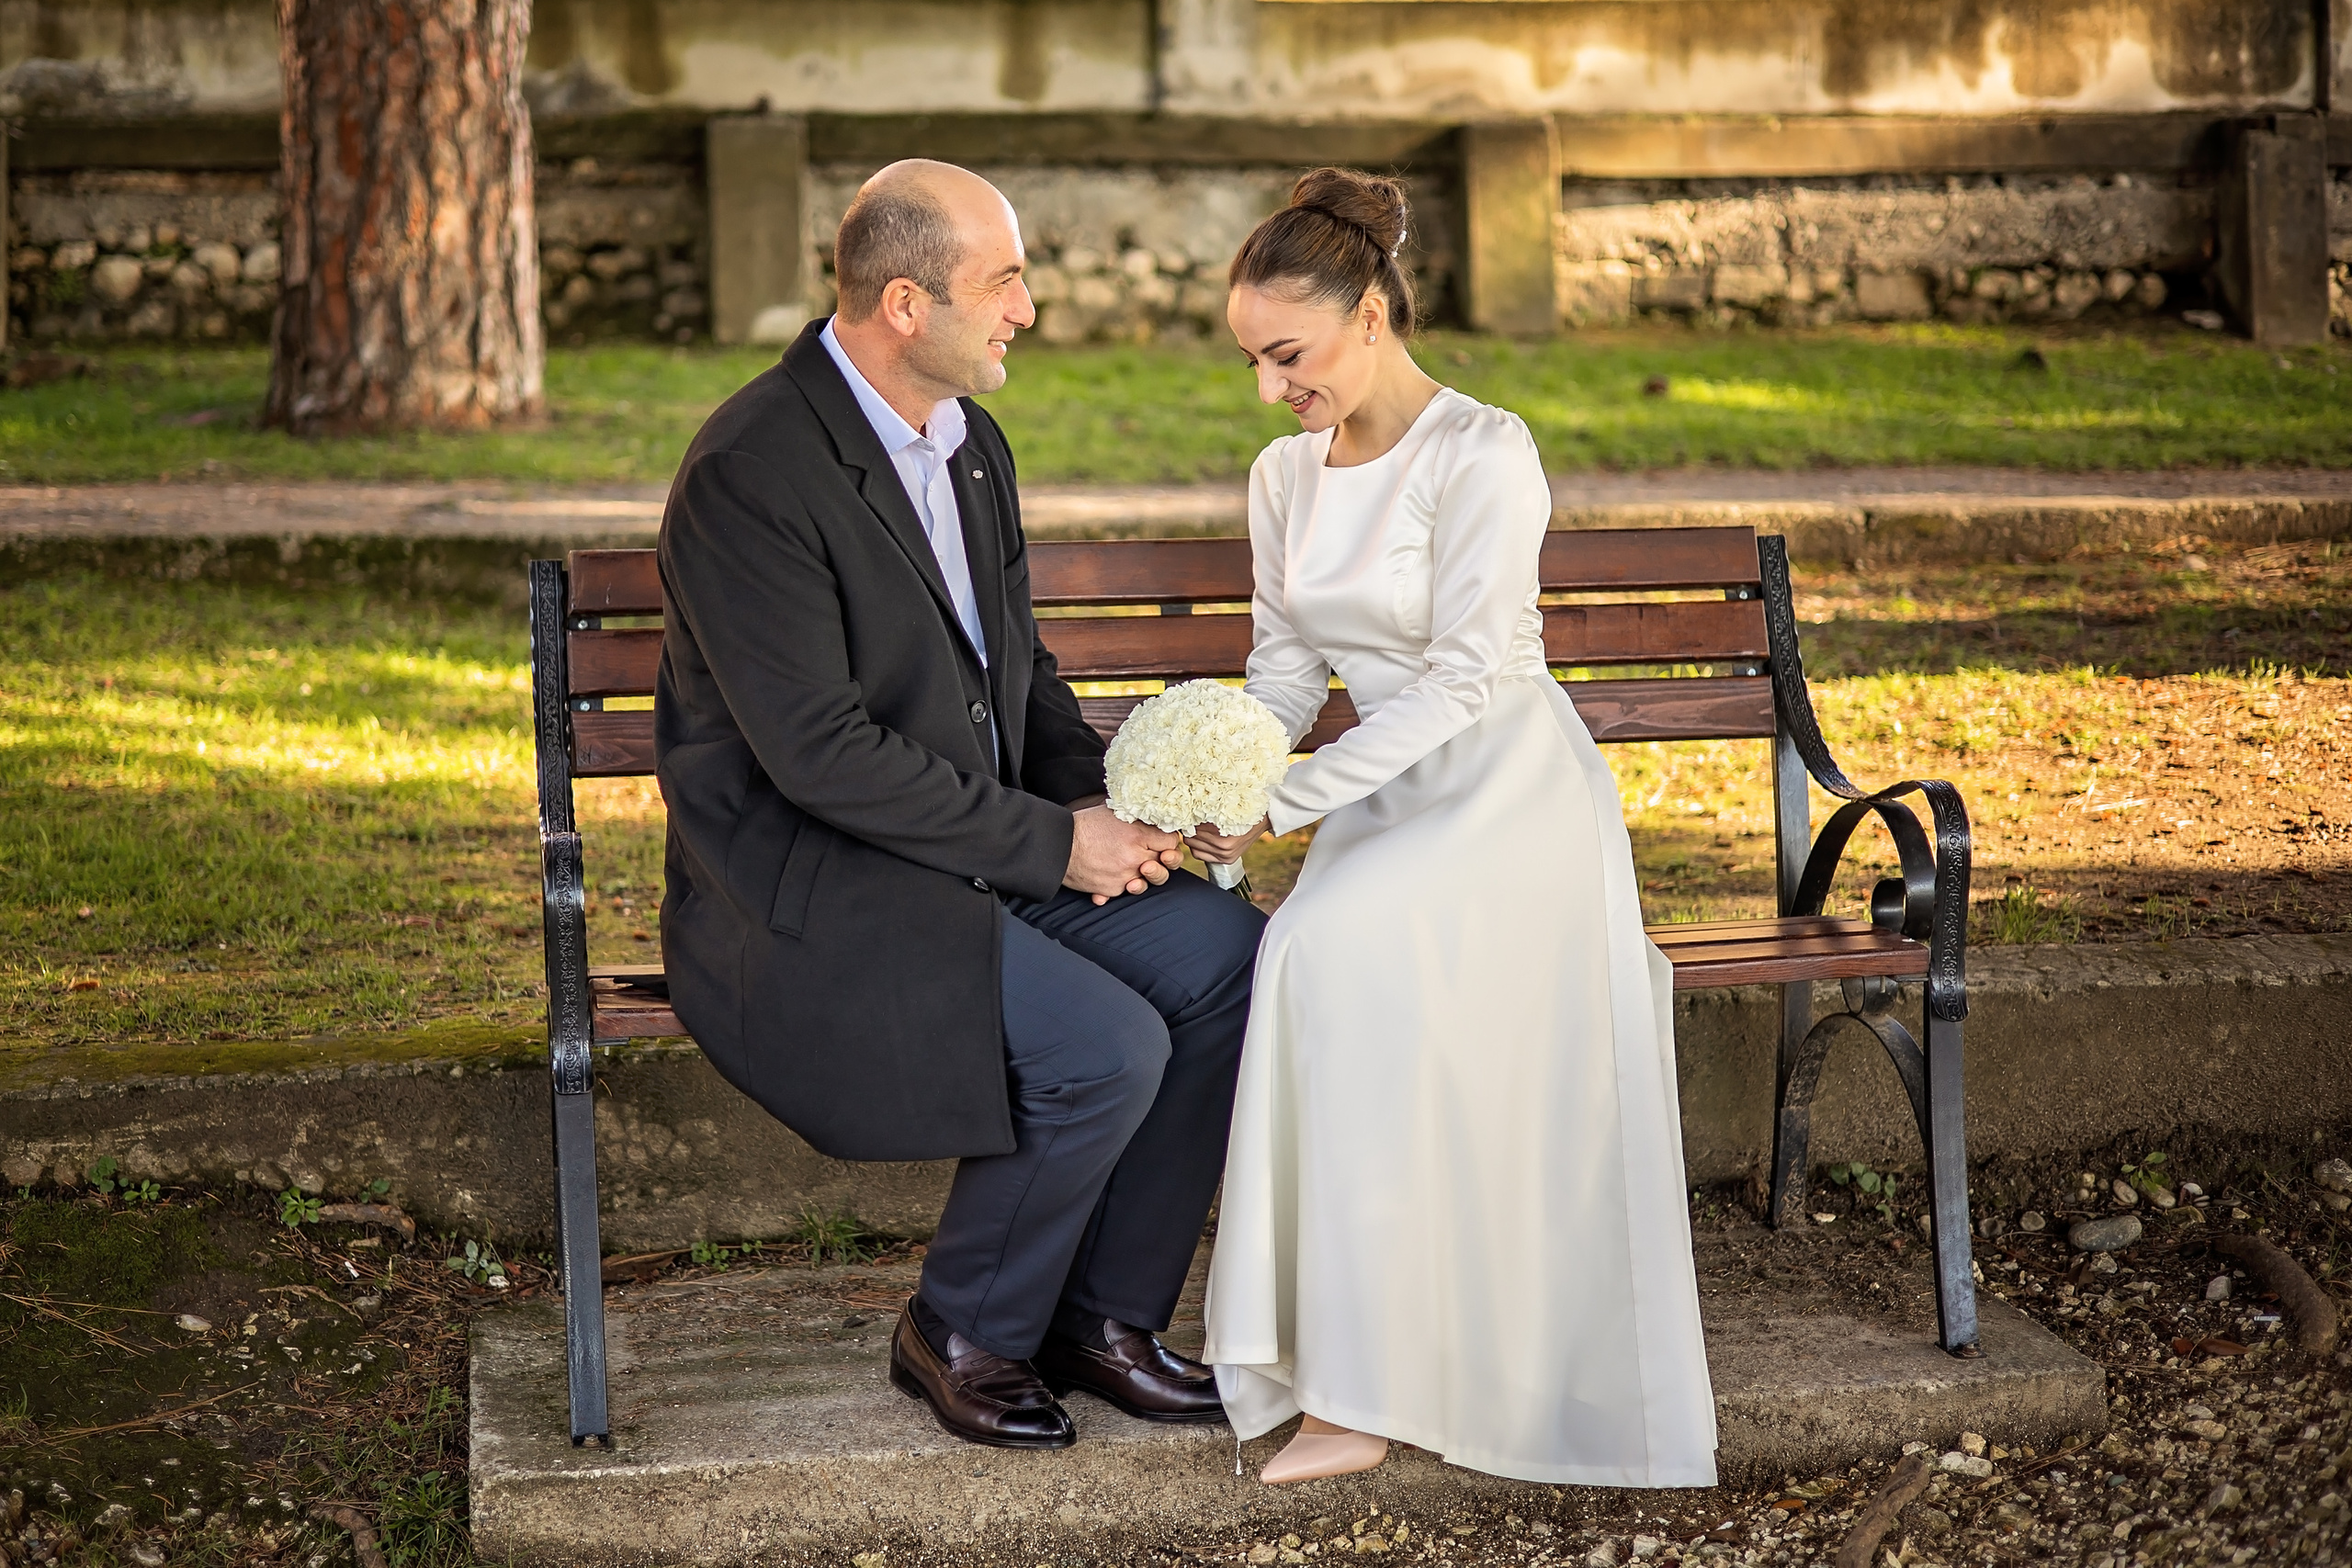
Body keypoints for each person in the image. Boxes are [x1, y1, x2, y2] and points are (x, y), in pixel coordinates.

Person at [654, 159, 1266, 1451]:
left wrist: (1121, 808)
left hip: (967, 860)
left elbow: (1020, 677)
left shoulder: (970, 444)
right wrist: (1058, 845)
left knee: (1229, 953)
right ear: (901, 304)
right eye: (1003, 281)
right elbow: (820, 755)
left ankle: (1103, 1321)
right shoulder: (753, 473)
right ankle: (964, 1326)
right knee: (1104, 1047)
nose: (1028, 311)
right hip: (815, 897)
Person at [1186, 169, 1719, 1488]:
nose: (1271, 388)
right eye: (1254, 361)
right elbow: (1285, 673)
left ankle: (1385, 1383)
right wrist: (1224, 783)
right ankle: (1344, 1367)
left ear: (1371, 315)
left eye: (1288, 355)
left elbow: (1475, 678)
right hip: (1385, 797)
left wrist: (1294, 797)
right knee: (1309, 955)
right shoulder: (1282, 475)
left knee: (1336, 956)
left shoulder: (1485, 450)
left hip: (1508, 795)